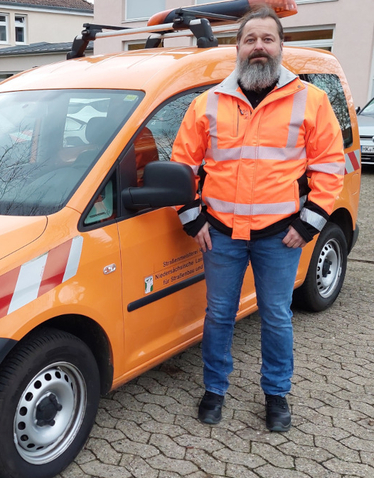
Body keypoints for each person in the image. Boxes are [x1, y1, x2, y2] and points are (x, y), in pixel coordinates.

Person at [171, 5, 344, 432]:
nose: (259, 47)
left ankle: (276, 394)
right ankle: (215, 388)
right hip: (222, 234)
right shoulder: (208, 102)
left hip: (279, 235)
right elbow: (181, 164)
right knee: (218, 315)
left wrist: (308, 223)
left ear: (281, 47)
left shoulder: (312, 100)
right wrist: (192, 219)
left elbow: (329, 166)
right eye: (251, 39)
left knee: (277, 316)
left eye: (268, 39)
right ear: (239, 47)